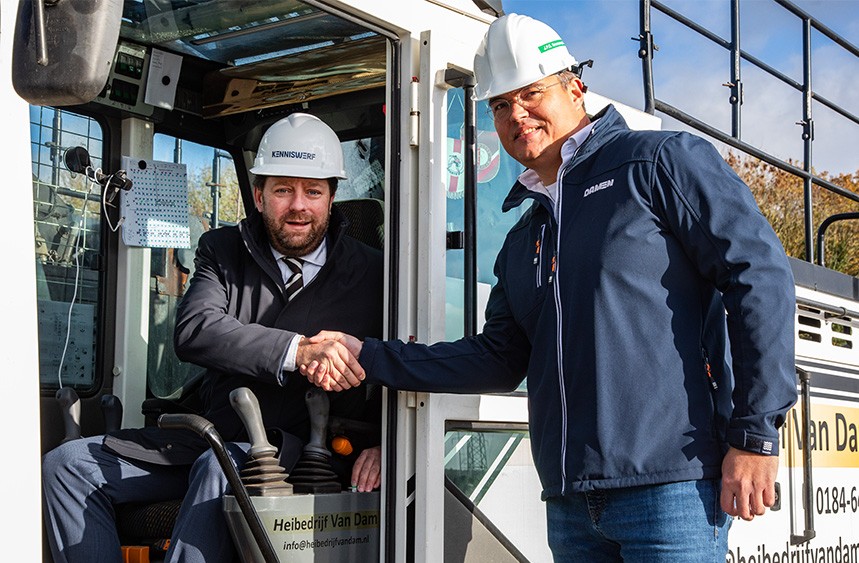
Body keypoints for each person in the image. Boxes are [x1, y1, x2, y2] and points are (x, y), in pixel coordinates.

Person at [303, 13, 798, 562]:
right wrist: (366, 355)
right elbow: (496, 359)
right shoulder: (523, 237)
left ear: (575, 86)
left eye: (531, 93)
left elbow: (758, 276)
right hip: (570, 505)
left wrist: (754, 434)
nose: (517, 115)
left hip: (672, 489)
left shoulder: (659, 163)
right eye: (499, 105)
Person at [42, 112, 384, 563]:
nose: (298, 205)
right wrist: (297, 351)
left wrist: (386, 441)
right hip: (215, 435)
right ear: (259, 196)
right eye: (283, 190)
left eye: (312, 191)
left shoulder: (375, 273)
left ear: (331, 197)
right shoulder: (223, 250)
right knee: (67, 466)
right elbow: (196, 331)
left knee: (218, 469)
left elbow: (399, 364)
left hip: (307, 451)